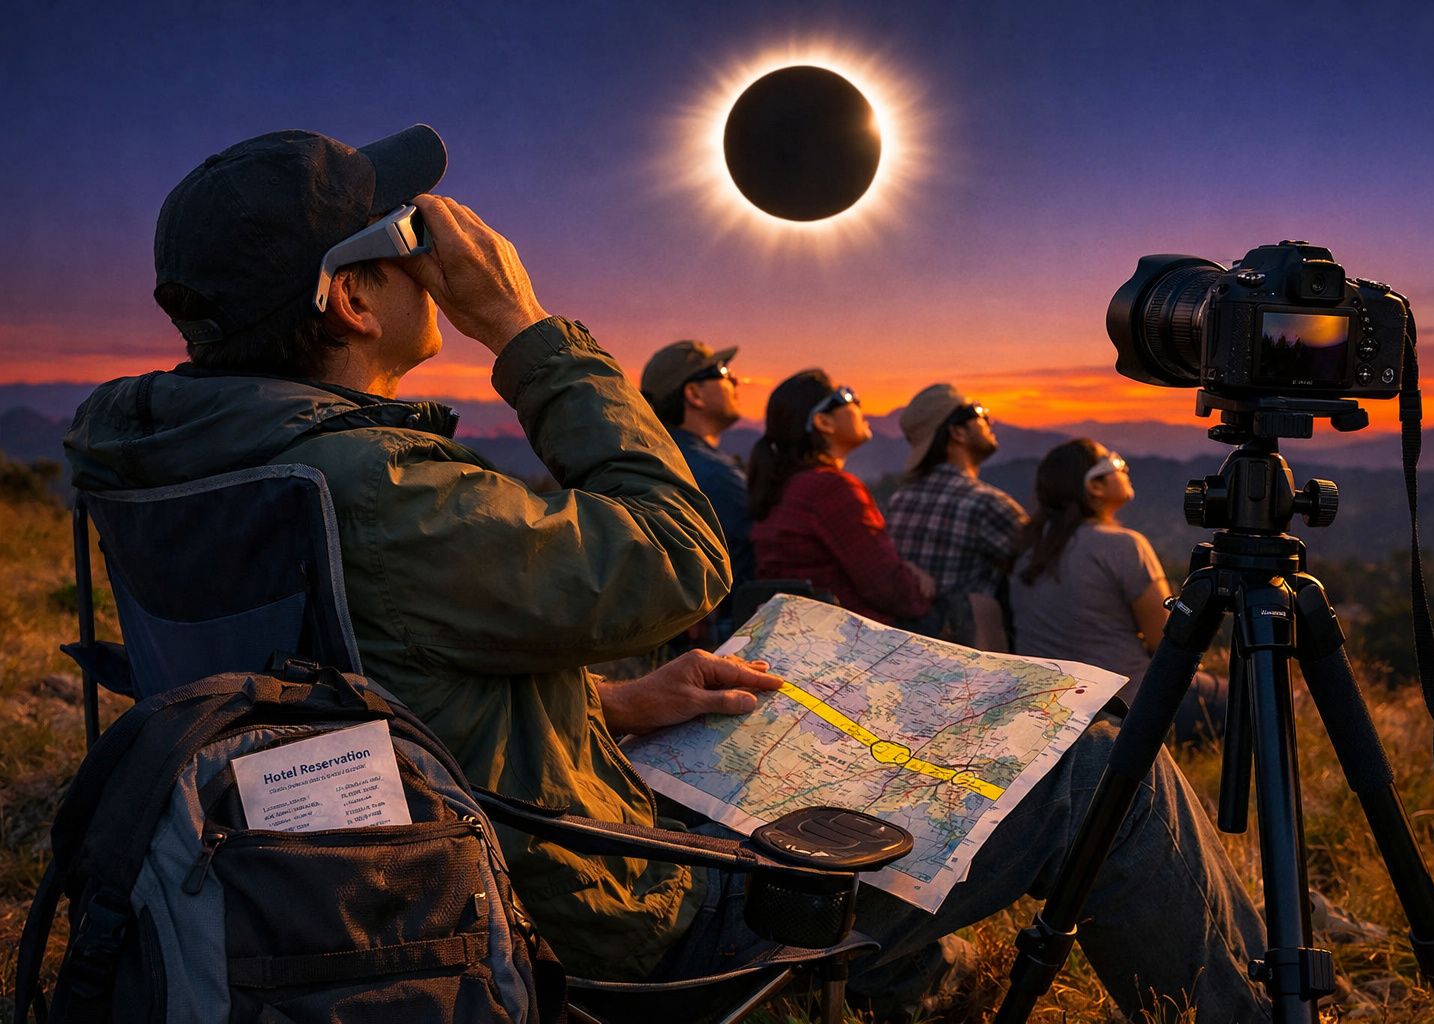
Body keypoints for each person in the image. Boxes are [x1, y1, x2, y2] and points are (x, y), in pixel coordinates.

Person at [65, 125, 1268, 1021]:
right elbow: (680, 557)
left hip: (369, 863)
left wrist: (612, 703)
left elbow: (352, 686)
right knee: (1100, 770)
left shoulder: (185, 467)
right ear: (346, 297)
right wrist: (529, 331)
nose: (437, 263)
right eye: (405, 246)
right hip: (601, 918)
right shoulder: (372, 489)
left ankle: (909, 984)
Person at [1010, 438, 1227, 740]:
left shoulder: (1028, 548)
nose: (1124, 468)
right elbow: (1167, 642)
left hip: (1050, 707)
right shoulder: (1123, 545)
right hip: (1132, 701)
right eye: (1115, 464)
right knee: (1244, 701)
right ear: (1095, 486)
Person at [747, 370, 935, 626]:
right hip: (848, 641)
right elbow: (889, 589)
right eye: (848, 396)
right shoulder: (830, 489)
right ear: (824, 422)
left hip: (798, 634)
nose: (859, 404)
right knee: (977, 608)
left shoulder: (785, 486)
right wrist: (918, 582)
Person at [888, 383, 1028, 651]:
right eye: (978, 412)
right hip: (971, 649)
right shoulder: (986, 503)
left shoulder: (900, 499)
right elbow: (1044, 565)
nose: (988, 419)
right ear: (958, 433)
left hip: (912, 649)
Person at [640, 340, 752, 641]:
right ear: (694, 394)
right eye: (723, 371)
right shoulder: (711, 472)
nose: (735, 380)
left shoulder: (656, 455)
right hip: (719, 633)